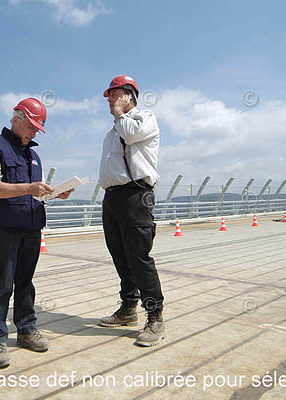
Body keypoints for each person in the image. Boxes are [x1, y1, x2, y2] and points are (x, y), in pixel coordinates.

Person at [0, 97, 73, 368]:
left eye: (37, 129)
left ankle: (27, 330)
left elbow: (34, 195)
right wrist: (30, 188)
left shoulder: (33, 154)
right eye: (30, 126)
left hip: (31, 227)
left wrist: (54, 193)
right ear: (16, 119)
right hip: (4, 228)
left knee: (26, 282)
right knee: (2, 284)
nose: (33, 133)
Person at [98, 75, 165, 347]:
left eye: (113, 95)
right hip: (113, 197)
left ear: (128, 95)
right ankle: (128, 308)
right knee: (119, 255)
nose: (109, 101)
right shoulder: (113, 130)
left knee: (139, 256)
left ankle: (155, 315)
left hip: (137, 194)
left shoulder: (144, 118)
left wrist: (118, 113)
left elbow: (131, 134)